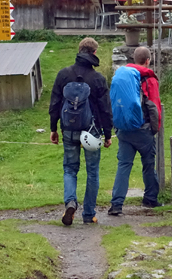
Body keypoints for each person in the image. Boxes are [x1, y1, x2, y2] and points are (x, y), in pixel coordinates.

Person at [49, 37, 113, 225]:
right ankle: (89, 214)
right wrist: (108, 134)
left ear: (79, 50)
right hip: (92, 132)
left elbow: (55, 103)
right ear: (94, 53)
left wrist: (54, 128)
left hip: (69, 130)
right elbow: (105, 109)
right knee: (92, 172)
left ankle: (70, 202)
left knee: (70, 169)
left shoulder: (63, 75)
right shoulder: (98, 79)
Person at [108, 46, 162, 214]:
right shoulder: (148, 78)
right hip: (143, 129)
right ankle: (150, 198)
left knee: (124, 165)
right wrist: (155, 128)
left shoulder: (123, 74)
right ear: (148, 61)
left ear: (134, 59)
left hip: (124, 128)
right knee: (148, 164)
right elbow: (154, 104)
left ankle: (116, 204)